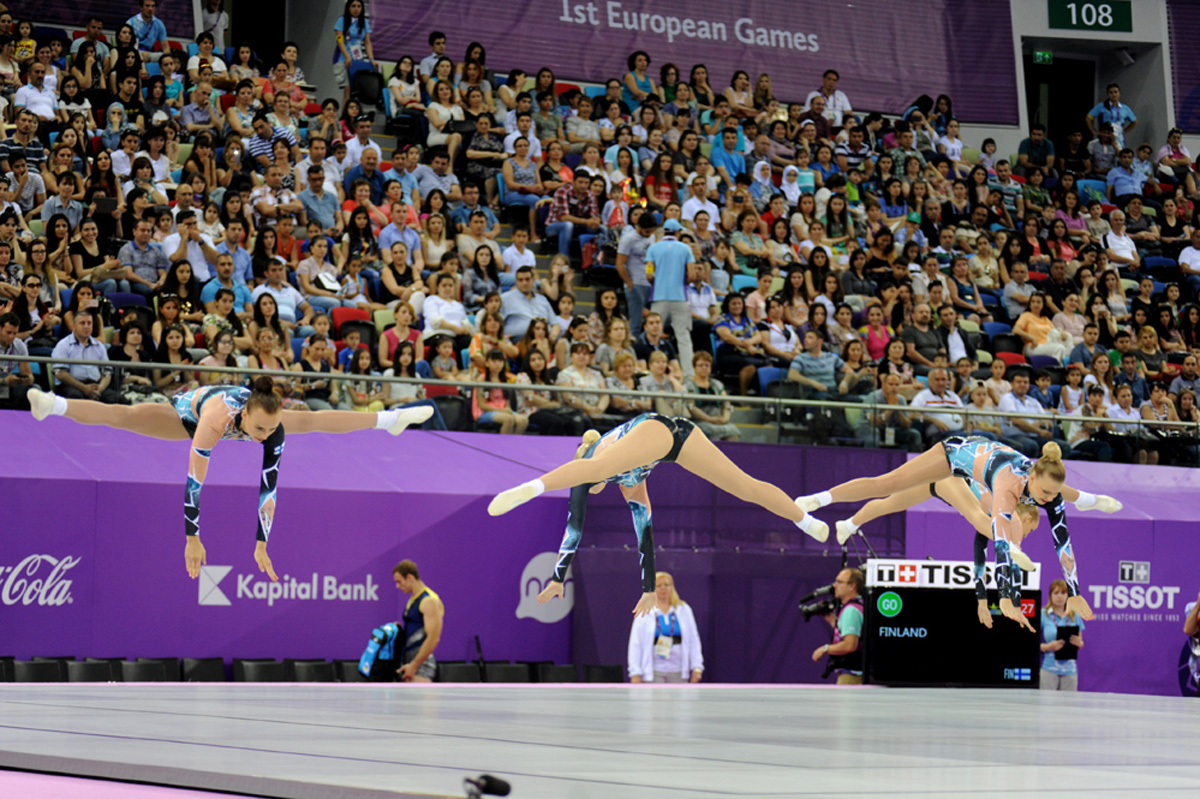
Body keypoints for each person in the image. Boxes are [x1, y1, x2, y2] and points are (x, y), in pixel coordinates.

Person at [28, 377, 434, 579]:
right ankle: (54, 403)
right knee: (124, 416)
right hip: (188, 415)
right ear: (246, 415)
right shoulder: (216, 421)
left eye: (269, 429)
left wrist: (261, 544)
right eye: (259, 429)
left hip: (227, 418)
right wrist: (192, 538)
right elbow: (194, 482)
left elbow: (268, 488)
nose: (263, 436)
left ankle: (391, 420)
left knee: (313, 420)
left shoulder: (271, 427)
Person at [489, 416, 829, 615]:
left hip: (655, 431)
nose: (589, 489)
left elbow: (574, 526)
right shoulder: (629, 487)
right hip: (680, 437)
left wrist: (558, 577)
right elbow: (645, 535)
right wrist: (649, 589)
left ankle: (530, 487)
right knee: (745, 487)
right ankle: (806, 520)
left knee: (597, 467)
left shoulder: (591, 460)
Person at [799, 437, 1122, 626]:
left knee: (891, 503)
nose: (1049, 500)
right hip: (953, 456)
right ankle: (821, 498)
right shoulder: (1007, 488)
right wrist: (1005, 596)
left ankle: (1091, 500)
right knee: (887, 485)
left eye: (1054, 494)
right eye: (1046, 493)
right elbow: (996, 541)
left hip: (967, 479)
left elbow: (1063, 543)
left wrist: (1075, 591)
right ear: (1032, 480)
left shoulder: (1046, 489)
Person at [628, 571, 704, 684]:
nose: (663, 588)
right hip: (654, 672)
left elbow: (694, 640)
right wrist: (635, 672)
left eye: (666, 585)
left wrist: (697, 667)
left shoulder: (683, 609)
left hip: (678, 671)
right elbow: (636, 644)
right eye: (658, 586)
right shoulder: (645, 611)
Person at [645, 218, 695, 377]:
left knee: (653, 334)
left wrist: (658, 282)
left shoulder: (653, 248)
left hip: (659, 297)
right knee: (683, 337)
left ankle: (651, 368)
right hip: (679, 297)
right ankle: (688, 373)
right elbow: (692, 274)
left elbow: (649, 274)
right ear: (678, 232)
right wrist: (682, 282)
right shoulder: (685, 248)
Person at [392, 559, 444, 682]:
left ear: (410, 577)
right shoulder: (413, 600)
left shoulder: (429, 601)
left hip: (422, 666)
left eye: (399, 581)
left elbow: (433, 638)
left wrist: (414, 665)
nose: (397, 586)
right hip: (409, 662)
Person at [811, 569, 864, 685]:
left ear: (852, 586)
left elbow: (850, 645)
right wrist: (832, 621)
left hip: (851, 676)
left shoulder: (851, 610)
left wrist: (825, 649)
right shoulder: (858, 605)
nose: (835, 585)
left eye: (839, 582)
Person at [1040, 578, 1085, 691]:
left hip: (1070, 670)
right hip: (1049, 668)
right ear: (1050, 595)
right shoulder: (1043, 614)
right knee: (1046, 702)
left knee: (1069, 702)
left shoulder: (1074, 615)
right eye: (1056, 593)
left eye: (1063, 592)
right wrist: (1048, 646)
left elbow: (1081, 643)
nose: (1059, 596)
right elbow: (1032, 643)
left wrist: (1078, 643)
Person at [0, 311, 32, 410]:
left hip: (8, 386)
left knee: (34, 390)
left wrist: (26, 380)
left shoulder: (20, 345)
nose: (11, 337)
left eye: (15, 333)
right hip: (3, 383)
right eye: (8, 333)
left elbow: (29, 375)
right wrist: (4, 381)